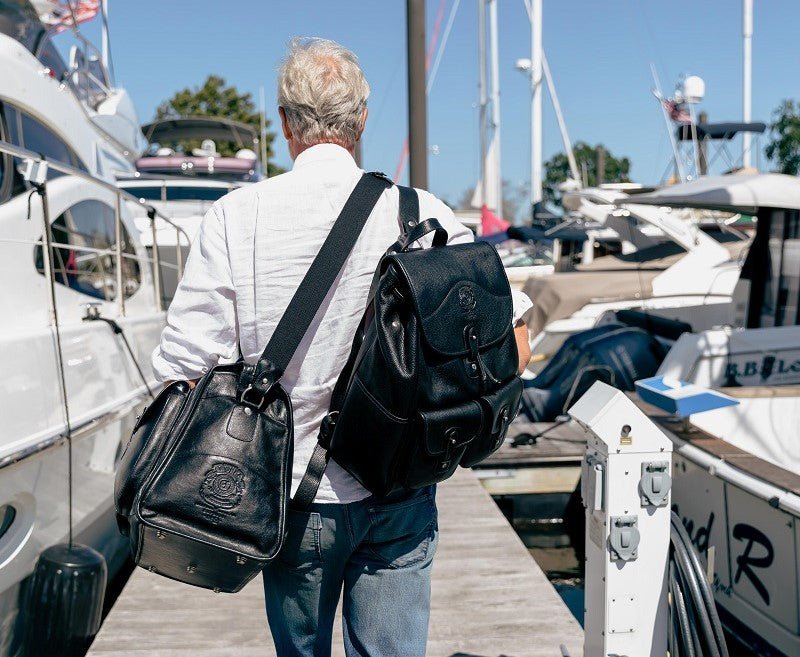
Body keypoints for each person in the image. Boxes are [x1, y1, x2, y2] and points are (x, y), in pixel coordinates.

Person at [151, 37, 532, 657]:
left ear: (284, 124)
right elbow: (512, 342)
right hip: (401, 484)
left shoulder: (234, 217)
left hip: (290, 493)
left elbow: (183, 370)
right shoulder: (423, 214)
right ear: (360, 119)